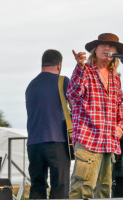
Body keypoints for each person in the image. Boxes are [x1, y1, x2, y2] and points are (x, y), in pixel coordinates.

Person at [67, 33, 123, 198]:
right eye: (103, 45)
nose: (107, 48)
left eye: (111, 46)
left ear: (116, 52)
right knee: (81, 191)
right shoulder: (85, 71)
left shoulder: (115, 79)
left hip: (108, 143)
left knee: (104, 191)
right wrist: (79, 67)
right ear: (95, 49)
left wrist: (120, 127)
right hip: (88, 141)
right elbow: (72, 93)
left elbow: (120, 108)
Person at [25, 49, 71, 199]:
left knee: (37, 186)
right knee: (60, 186)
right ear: (59, 65)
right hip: (56, 141)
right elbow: (76, 106)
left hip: (33, 144)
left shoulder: (31, 86)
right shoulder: (63, 81)